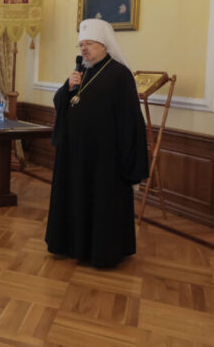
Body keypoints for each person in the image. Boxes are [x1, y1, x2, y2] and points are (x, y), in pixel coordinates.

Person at [45, 19, 149, 268]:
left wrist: (126, 157)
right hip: (75, 155)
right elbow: (61, 101)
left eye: (89, 44)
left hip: (105, 158)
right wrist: (68, 87)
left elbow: (130, 120)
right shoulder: (83, 71)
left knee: (101, 205)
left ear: (104, 45)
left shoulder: (120, 75)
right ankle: (73, 246)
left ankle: (103, 253)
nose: (84, 49)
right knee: (76, 200)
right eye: (81, 44)